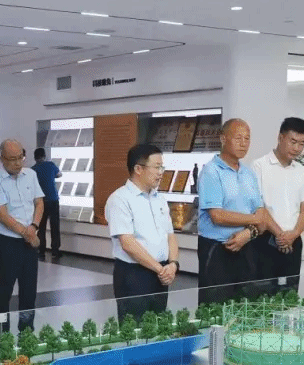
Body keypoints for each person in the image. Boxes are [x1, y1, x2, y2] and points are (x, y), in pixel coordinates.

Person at [105, 144, 178, 323]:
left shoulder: (159, 199)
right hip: (134, 275)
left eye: (162, 167)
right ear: (138, 169)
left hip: (161, 274)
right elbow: (128, 243)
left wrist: (173, 264)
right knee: (134, 329)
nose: (161, 173)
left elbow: (170, 235)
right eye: (157, 167)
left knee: (158, 326)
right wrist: (160, 269)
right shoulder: (120, 199)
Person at [196, 119, 266, 306]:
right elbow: (217, 216)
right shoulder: (211, 172)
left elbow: (261, 214)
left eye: (247, 139)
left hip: (246, 245)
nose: (243, 143)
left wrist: (249, 233)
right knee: (215, 307)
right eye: (238, 138)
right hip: (218, 249)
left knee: (245, 306)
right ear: (223, 139)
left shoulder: (249, 174)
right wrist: (254, 220)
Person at [0, 139, 44, 338]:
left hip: (30, 240)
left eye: (21, 157)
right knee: (4, 292)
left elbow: (39, 203)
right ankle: (3, 336)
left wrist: (34, 227)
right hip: (8, 243)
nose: (18, 163)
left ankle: (26, 333)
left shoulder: (31, 175)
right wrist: (27, 234)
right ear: (1, 159)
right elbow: (2, 215)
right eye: (12, 159)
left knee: (29, 291)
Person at [251, 117, 304, 294]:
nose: (297, 148)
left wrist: (293, 234)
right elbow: (258, 208)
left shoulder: (302, 172)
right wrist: (280, 235)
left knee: (290, 292)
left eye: (302, 144)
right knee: (264, 294)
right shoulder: (259, 166)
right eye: (293, 142)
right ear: (280, 138)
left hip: (293, 241)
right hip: (265, 240)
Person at [31, 147, 62, 259]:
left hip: (40, 202)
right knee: (55, 226)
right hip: (53, 200)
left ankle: (41, 251)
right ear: (44, 156)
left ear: (35, 157)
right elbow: (59, 174)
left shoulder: (33, 170)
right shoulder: (50, 165)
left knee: (41, 227)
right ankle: (55, 251)